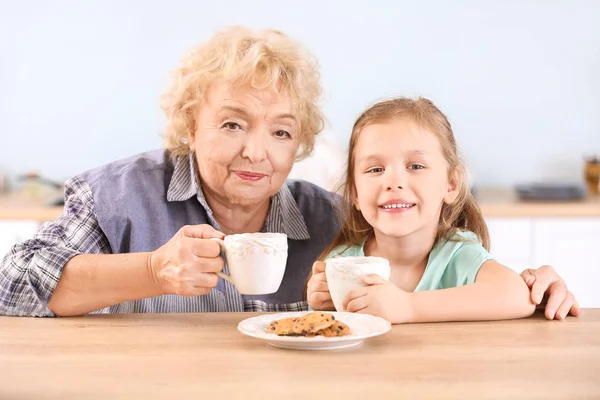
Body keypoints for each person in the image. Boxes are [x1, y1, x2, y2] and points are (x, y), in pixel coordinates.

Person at [0, 27, 579, 319]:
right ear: (189, 124)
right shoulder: (119, 196)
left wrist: (532, 286)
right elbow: (12, 289)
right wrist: (154, 269)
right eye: (232, 125)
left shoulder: (331, 221)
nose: (257, 152)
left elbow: (427, 270)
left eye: (280, 131)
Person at [307, 97, 578, 323]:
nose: (393, 182)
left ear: (451, 184)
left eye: (415, 166)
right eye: (376, 169)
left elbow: (516, 295)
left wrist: (408, 307)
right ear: (354, 192)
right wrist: (321, 300)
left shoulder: (457, 254)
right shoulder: (342, 262)